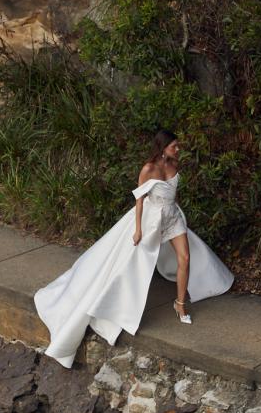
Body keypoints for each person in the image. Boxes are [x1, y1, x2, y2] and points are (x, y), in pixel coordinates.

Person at [34, 129, 234, 368]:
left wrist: (178, 214)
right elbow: (139, 201)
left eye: (178, 146)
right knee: (130, 264)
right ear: (162, 147)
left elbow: (173, 193)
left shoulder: (174, 163)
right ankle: (114, 302)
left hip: (173, 219)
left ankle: (180, 305)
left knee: (185, 257)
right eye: (174, 146)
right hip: (151, 220)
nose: (178, 149)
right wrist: (138, 229)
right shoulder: (148, 169)